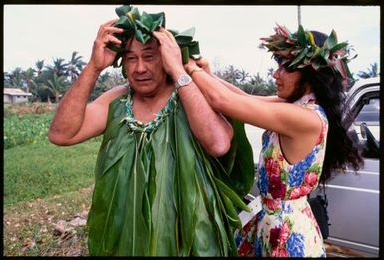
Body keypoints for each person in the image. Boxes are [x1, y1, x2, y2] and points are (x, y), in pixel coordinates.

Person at [48, 6, 254, 257]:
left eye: (150, 56)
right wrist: (94, 67)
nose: (140, 68)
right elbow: (61, 135)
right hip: (128, 239)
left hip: (188, 239)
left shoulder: (190, 96)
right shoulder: (117, 101)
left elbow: (218, 144)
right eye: (132, 58)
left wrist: (180, 71)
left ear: (168, 58)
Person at [184, 24, 363, 257]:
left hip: (288, 237)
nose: (276, 74)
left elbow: (223, 101)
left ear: (310, 73)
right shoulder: (296, 106)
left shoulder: (305, 117)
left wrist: (186, 70)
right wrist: (207, 74)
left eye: (285, 68)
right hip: (273, 225)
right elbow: (244, 99)